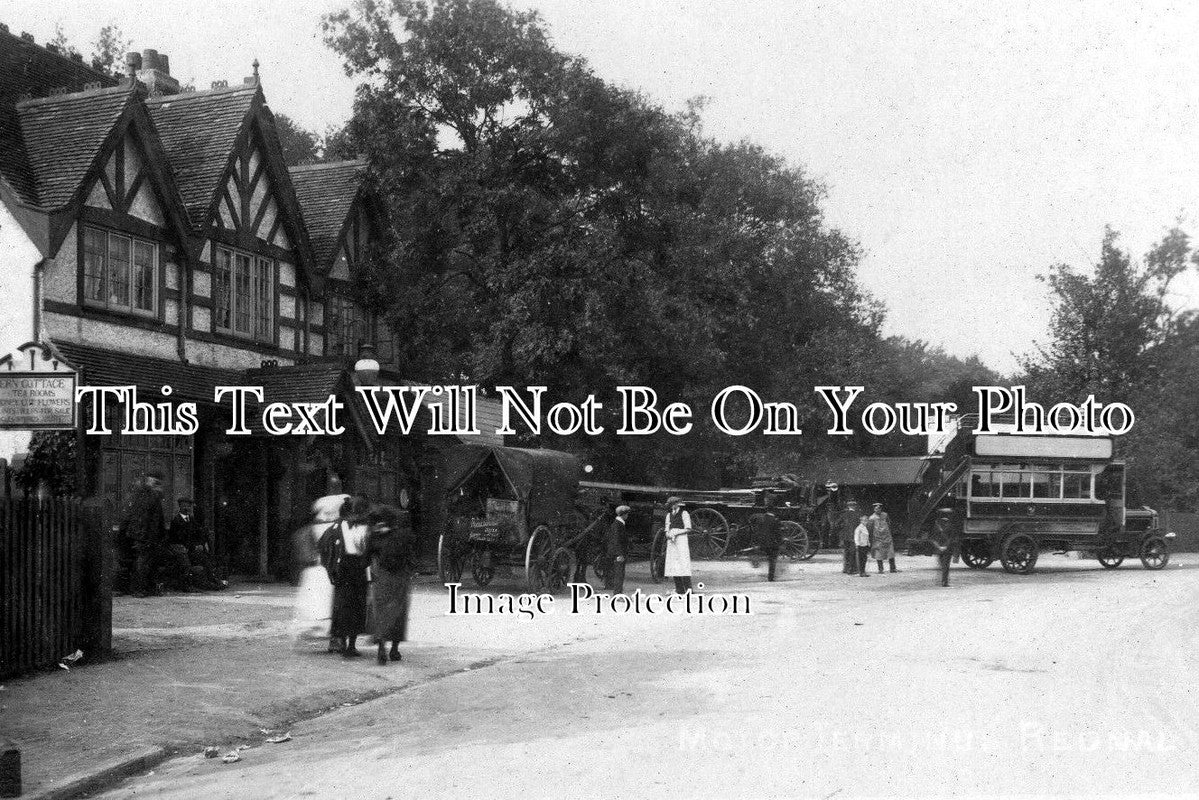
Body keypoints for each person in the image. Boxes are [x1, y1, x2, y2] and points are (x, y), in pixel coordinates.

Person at [366, 504, 417, 665]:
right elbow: (411, 557)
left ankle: (381, 644)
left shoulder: (374, 536)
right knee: (399, 612)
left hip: (382, 576)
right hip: (401, 577)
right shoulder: (405, 535)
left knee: (381, 611)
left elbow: (366, 558)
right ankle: (394, 649)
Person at [293, 493, 347, 644]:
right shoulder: (336, 528)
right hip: (328, 569)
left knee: (318, 604)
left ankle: (323, 632)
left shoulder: (312, 528)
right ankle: (335, 638)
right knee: (330, 604)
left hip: (315, 570)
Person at [322, 494, 371, 657]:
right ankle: (343, 642)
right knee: (345, 607)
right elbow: (324, 547)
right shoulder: (335, 529)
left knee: (355, 607)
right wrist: (331, 569)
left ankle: (350, 645)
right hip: (345, 569)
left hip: (356, 569)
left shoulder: (364, 528)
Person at [120, 470, 167, 597]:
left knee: (145, 561)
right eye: (155, 482)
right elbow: (147, 518)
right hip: (144, 535)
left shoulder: (144, 493)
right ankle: (139, 589)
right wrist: (147, 536)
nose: (157, 485)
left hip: (143, 534)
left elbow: (157, 518)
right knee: (142, 561)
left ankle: (144, 588)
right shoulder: (148, 495)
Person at [663, 497, 693, 594]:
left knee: (683, 563)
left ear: (677, 504)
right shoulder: (669, 515)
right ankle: (679, 589)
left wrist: (676, 532)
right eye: (671, 505)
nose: (673, 506)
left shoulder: (684, 513)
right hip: (672, 541)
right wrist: (668, 534)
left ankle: (688, 589)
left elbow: (688, 529)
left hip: (681, 540)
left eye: (674, 504)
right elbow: (667, 528)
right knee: (674, 563)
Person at [749, 496, 782, 581]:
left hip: (762, 543)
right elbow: (778, 534)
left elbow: (757, 531)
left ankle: (756, 561)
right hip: (771, 544)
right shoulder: (775, 520)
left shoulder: (761, 519)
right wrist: (780, 542)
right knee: (772, 559)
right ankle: (771, 577)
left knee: (765, 554)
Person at [605, 505, 632, 593]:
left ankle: (619, 592)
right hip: (618, 553)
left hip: (618, 552)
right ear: (623, 514)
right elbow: (616, 540)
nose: (627, 516)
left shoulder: (618, 523)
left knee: (620, 573)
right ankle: (617, 593)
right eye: (627, 514)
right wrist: (620, 554)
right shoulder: (618, 525)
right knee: (619, 574)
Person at [870, 502, 898, 574]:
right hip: (877, 538)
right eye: (876, 508)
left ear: (881, 509)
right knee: (878, 554)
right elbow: (870, 528)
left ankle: (893, 568)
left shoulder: (885, 515)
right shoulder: (872, 518)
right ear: (874, 509)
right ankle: (880, 569)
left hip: (887, 537)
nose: (878, 510)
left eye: (879, 508)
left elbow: (889, 523)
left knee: (890, 553)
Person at [840, 501, 860, 575]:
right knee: (853, 553)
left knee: (846, 552)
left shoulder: (844, 515)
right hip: (854, 536)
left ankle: (846, 568)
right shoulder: (857, 515)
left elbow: (837, 524)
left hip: (845, 537)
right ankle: (852, 569)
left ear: (848, 506)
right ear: (854, 506)